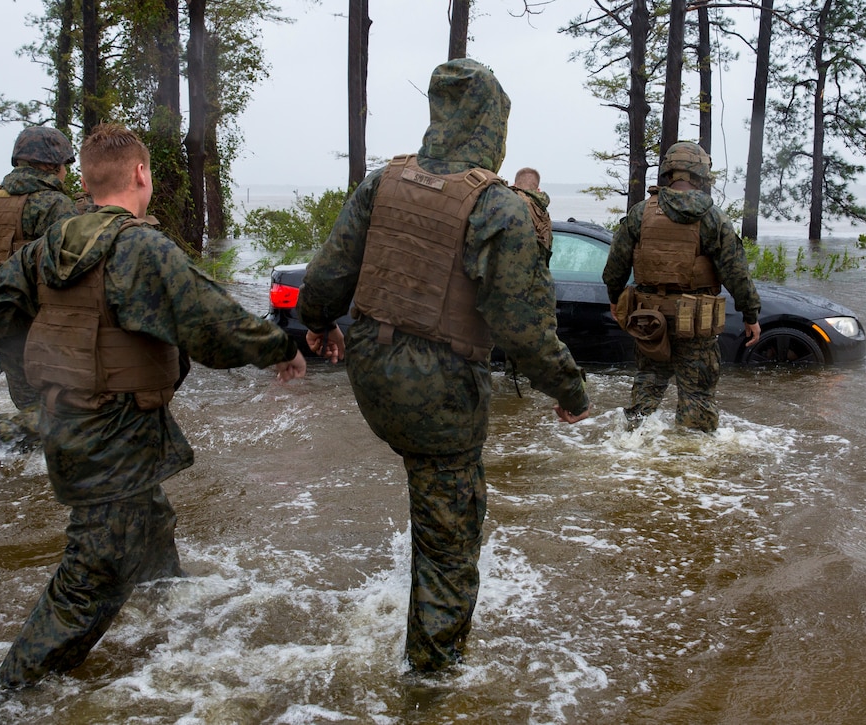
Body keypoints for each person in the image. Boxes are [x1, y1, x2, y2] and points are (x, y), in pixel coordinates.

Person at [0, 122, 306, 688]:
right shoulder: (140, 246)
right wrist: (282, 349)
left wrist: (51, 360)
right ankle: (6, 696)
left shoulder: (53, 243)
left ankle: (170, 618)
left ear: (87, 181)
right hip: (112, 430)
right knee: (90, 574)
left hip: (73, 419)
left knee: (150, 521)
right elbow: (213, 322)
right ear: (142, 174)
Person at [295, 59, 590, 673]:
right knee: (452, 542)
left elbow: (327, 276)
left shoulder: (384, 182)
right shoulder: (501, 208)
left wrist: (320, 327)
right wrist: (570, 389)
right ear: (494, 126)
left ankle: (415, 607)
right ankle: (432, 683)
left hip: (373, 378)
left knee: (426, 488)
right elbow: (525, 329)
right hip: (442, 393)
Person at [602, 140, 761, 432]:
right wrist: (750, 315)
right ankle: (691, 467)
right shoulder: (713, 217)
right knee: (697, 399)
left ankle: (630, 452)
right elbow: (736, 272)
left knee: (647, 387)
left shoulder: (640, 213)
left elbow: (615, 267)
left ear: (668, 172)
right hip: (694, 324)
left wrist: (614, 299)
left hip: (650, 320)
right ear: (701, 174)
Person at [0, 126, 79, 454]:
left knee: (32, 409)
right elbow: (71, 274)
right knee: (70, 412)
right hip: (39, 326)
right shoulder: (56, 205)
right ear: (55, 165)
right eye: (65, 166)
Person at [510, 166, 553, 258]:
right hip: (537, 269)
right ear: (538, 191)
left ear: (514, 185)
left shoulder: (511, 203)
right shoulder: (543, 213)